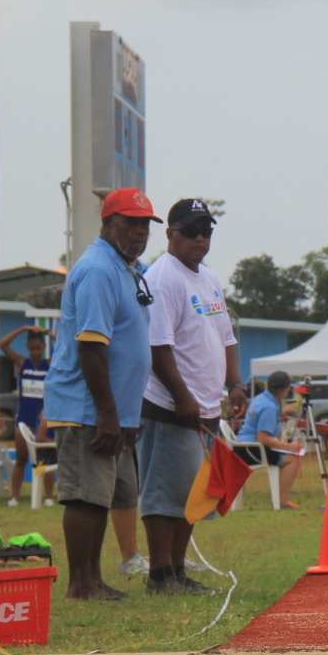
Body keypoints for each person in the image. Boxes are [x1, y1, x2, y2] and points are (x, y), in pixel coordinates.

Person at [44, 188, 160, 601]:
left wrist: (124, 415)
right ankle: (81, 585)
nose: (139, 232)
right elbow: (91, 346)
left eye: (145, 225)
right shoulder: (97, 269)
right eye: (130, 223)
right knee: (85, 496)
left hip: (113, 409)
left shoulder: (128, 268)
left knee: (104, 496)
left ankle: (93, 581)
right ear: (107, 224)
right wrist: (109, 414)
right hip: (86, 406)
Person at [133, 199, 246, 596]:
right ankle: (160, 575)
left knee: (193, 493)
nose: (200, 237)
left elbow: (226, 337)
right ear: (170, 234)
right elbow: (158, 347)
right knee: (164, 493)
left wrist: (235, 384)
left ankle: (177, 571)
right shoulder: (163, 278)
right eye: (190, 230)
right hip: (169, 405)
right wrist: (182, 397)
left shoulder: (208, 278)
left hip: (205, 405)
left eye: (206, 230)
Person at [0, 324, 58, 506]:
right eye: (32, 348)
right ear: (27, 348)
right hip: (23, 420)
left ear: (44, 348)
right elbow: (2, 344)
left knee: (46, 460)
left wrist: (47, 332)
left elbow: (65, 345)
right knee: (22, 459)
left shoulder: (49, 364)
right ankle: (14, 497)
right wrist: (23, 328)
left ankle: (48, 497)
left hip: (42, 420)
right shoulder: (22, 363)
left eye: (38, 348)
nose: (35, 352)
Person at [236, 371, 303, 507]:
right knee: (292, 458)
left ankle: (280, 498)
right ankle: (282, 501)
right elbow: (263, 439)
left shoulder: (260, 398)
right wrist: (290, 447)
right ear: (285, 390)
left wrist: (280, 414)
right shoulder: (270, 407)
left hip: (241, 446)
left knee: (287, 455)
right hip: (251, 449)